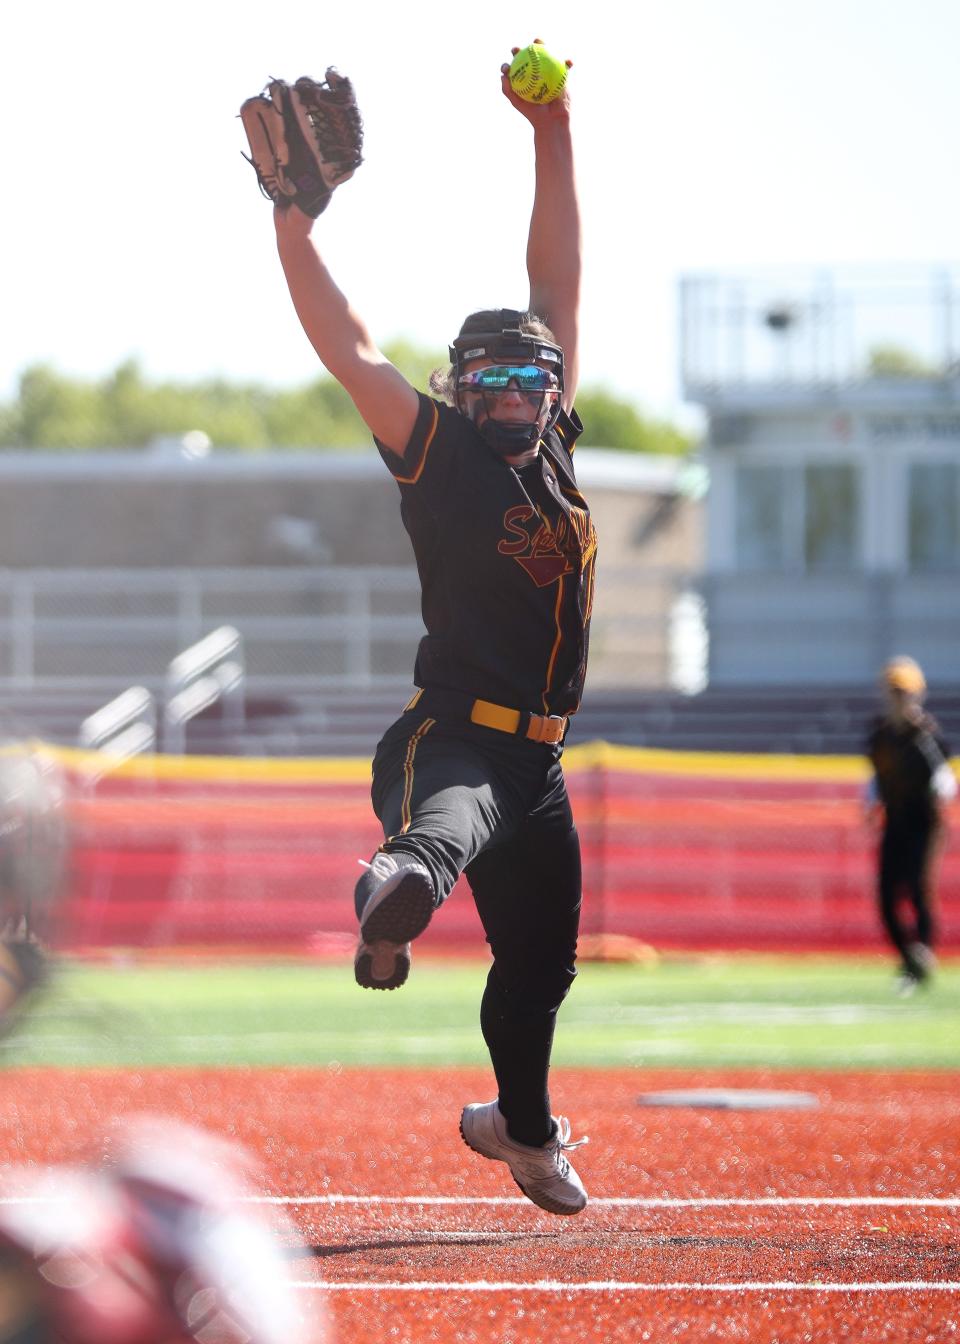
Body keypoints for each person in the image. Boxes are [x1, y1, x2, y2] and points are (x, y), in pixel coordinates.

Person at [270, 48, 595, 1216]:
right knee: (432, 847)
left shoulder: (554, 444)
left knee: (543, 969)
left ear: (553, 392)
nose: (517, 396)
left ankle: (518, 1125)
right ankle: (391, 899)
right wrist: (295, 227)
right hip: (450, 738)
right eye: (494, 379)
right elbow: (347, 349)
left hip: (541, 759)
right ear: (461, 390)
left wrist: (551, 131)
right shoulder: (442, 457)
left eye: (531, 379)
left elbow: (554, 273)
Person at [864, 656, 956, 996]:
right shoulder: (880, 735)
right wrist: (871, 803)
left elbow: (945, 779)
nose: (900, 699)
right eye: (894, 692)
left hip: (925, 824)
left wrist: (936, 796)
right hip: (896, 822)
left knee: (918, 887)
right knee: (886, 899)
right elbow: (876, 775)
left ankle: (924, 952)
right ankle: (910, 959)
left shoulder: (925, 737)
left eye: (905, 693)